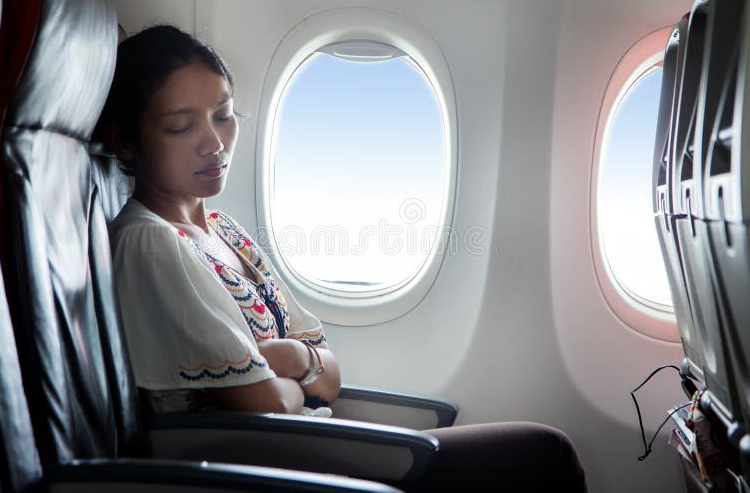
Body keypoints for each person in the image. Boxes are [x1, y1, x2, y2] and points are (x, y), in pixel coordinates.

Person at [96, 24, 587, 491]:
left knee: (537, 454)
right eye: (181, 127)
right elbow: (266, 408)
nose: (215, 142)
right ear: (124, 141)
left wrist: (291, 358)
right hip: (266, 470)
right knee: (545, 455)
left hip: (313, 450)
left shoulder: (226, 232)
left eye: (224, 115)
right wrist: (296, 380)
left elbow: (330, 374)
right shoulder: (152, 244)